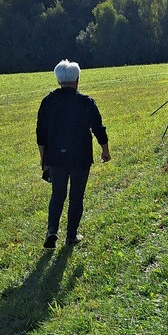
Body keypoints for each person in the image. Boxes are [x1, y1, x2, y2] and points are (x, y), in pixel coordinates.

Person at [37, 59, 110, 249]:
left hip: (55, 156)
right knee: (76, 195)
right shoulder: (86, 102)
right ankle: (71, 236)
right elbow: (98, 128)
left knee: (57, 194)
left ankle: (52, 230)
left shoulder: (48, 101)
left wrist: (43, 160)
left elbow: (41, 133)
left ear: (58, 80)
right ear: (77, 79)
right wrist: (105, 150)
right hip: (80, 156)